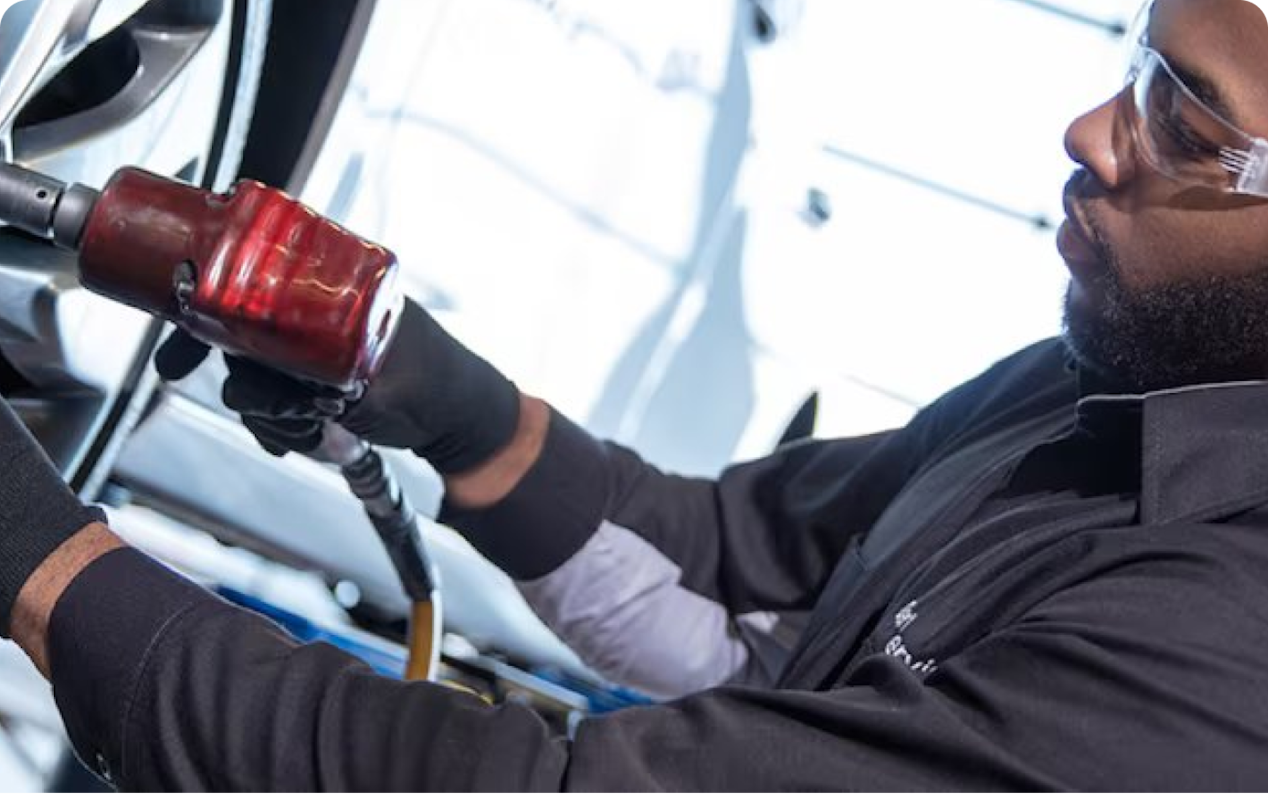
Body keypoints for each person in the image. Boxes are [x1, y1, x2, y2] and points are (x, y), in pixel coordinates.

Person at [3, 0, 1268, 791]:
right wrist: (450, 404)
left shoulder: (1212, 684)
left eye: (1182, 118)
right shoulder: (1103, 381)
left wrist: (44, 559)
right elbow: (734, 582)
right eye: (1136, 60)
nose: (1090, 132)